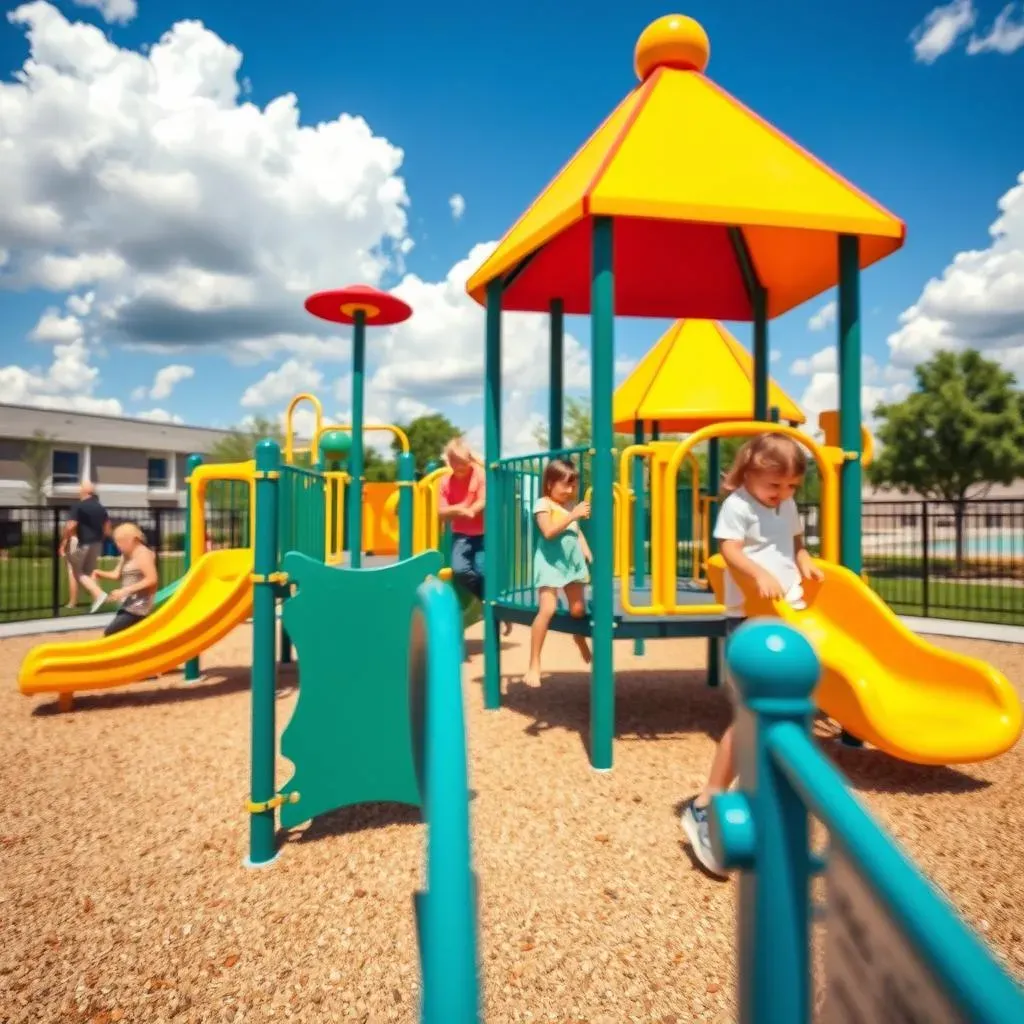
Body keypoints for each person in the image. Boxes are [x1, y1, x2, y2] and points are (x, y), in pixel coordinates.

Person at [680, 433, 824, 877]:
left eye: (792, 487)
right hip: (749, 615)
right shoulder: (739, 505)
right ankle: (707, 801)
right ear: (749, 473)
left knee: (778, 716)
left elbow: (795, 544)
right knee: (750, 716)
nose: (782, 495)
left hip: (788, 612)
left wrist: (805, 562)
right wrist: (758, 571)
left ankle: (757, 797)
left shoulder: (787, 506)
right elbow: (729, 551)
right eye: (774, 486)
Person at [524, 458, 593, 686]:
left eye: (574, 485)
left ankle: (579, 638)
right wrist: (572, 516)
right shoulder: (543, 504)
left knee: (578, 610)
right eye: (566, 485)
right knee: (548, 609)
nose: (571, 490)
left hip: (571, 565)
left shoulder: (570, 506)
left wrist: (585, 548)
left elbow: (576, 531)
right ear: (549, 485)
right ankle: (534, 662)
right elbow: (548, 532)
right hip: (550, 564)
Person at [92, 523, 159, 636]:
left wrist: (125, 591)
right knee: (126, 636)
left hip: (139, 607)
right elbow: (116, 574)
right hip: (128, 605)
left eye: (120, 541)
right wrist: (99, 573)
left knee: (111, 633)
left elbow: (152, 579)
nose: (117, 545)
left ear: (131, 540)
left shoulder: (143, 554)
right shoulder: (126, 555)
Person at [58, 481, 110, 613]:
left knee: (75, 571)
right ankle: (97, 601)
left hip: (82, 542)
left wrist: (64, 542)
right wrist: (101, 538)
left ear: (85, 492)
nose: (78, 492)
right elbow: (107, 528)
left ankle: (76, 601)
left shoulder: (78, 506)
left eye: (80, 490)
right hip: (97, 543)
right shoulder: (100, 507)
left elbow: (71, 525)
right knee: (91, 571)